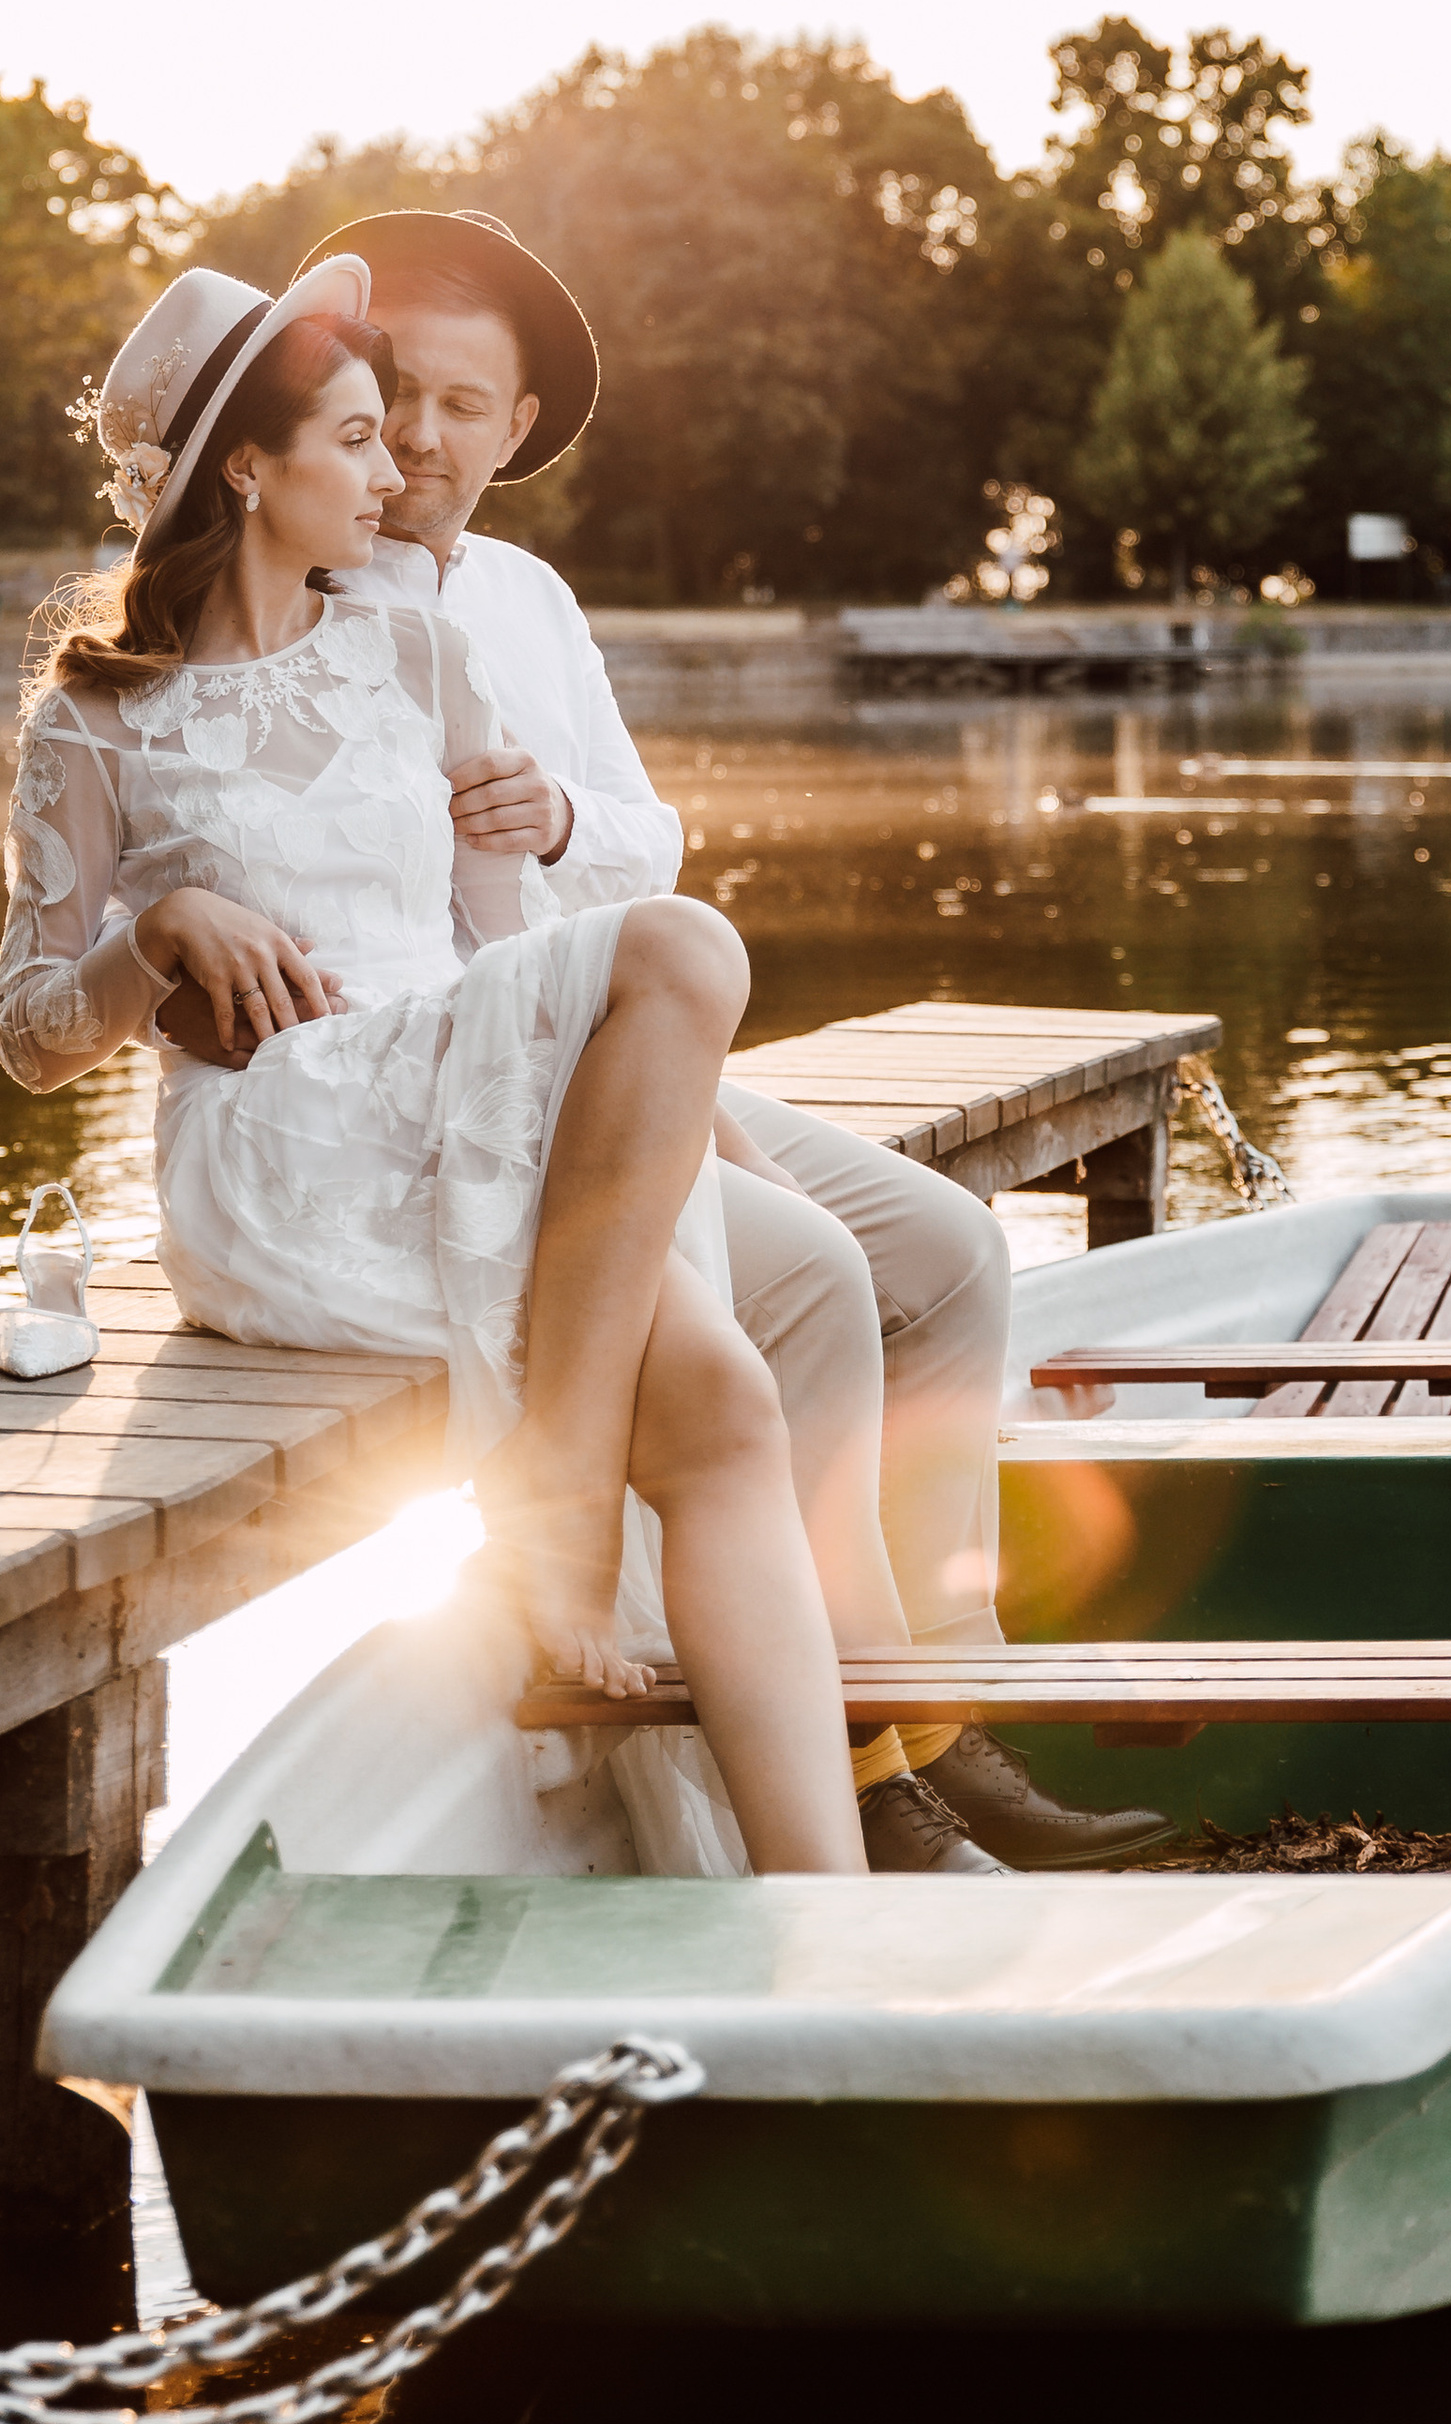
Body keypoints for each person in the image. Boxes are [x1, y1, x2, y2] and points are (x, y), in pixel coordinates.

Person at [278, 205, 1162, 1875]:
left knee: (956, 1248)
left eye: (465, 405)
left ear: (517, 430)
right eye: (392, 390)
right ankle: (869, 1767)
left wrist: (551, 828)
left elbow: (647, 843)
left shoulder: (533, 601)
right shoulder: (308, 598)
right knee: (819, 1276)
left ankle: (938, 1709)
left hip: (634, 1047)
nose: (418, 434)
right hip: (495, 1095)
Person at [0, 256, 874, 1876]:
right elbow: (32, 1034)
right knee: (684, 946)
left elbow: (498, 942)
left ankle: (835, 1913)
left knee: (731, 1411)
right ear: (247, 469)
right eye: (356, 439)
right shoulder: (96, 719)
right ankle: (557, 1493)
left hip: (463, 1095)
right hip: (283, 1145)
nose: (398, 475)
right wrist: (161, 928)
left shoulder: (415, 653)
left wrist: (626, 1110)